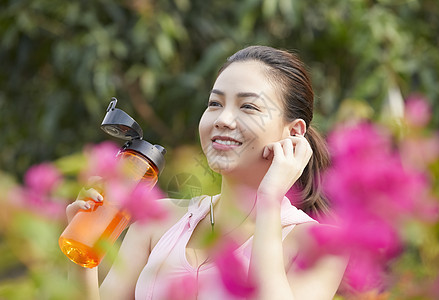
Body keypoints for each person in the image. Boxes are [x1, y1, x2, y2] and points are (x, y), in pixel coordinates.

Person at [67, 45, 348, 299]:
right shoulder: (157, 222)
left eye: (248, 107)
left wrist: (270, 198)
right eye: (215, 104)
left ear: (294, 133)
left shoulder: (321, 247)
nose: (223, 119)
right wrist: (83, 251)